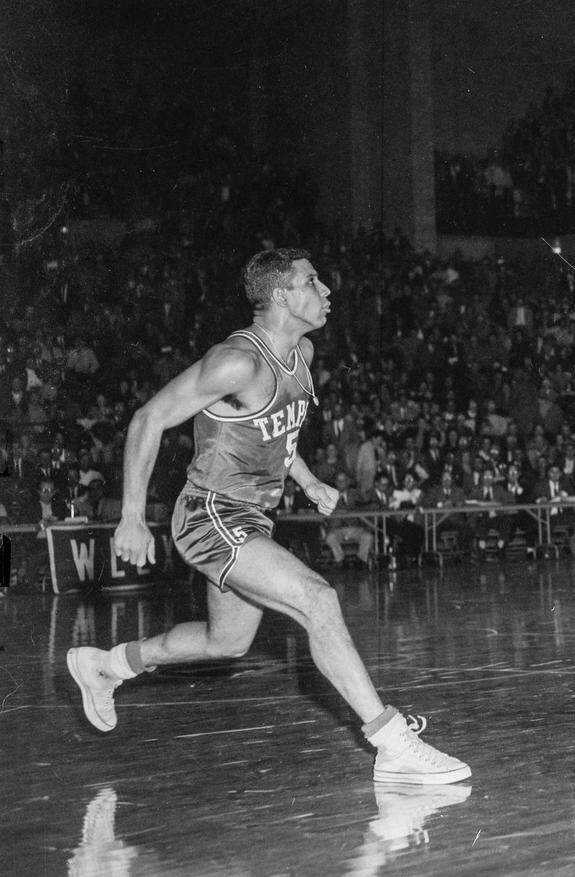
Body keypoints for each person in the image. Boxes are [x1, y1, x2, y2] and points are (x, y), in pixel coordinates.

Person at [65, 248, 469, 784]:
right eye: (313, 280)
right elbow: (148, 418)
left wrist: (307, 481)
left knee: (226, 642)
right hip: (210, 512)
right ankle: (390, 741)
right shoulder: (238, 361)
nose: (326, 290)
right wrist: (133, 516)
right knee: (317, 600)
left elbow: (275, 430)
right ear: (280, 295)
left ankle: (108, 665)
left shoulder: (300, 352)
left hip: (252, 517)